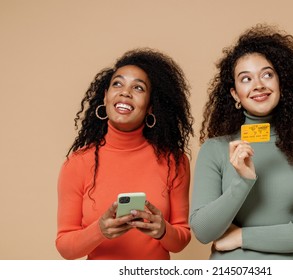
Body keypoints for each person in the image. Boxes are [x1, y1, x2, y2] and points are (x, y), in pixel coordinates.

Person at [190, 23, 293, 260]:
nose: (258, 85)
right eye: (245, 79)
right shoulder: (215, 149)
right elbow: (203, 230)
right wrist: (243, 181)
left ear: (281, 82)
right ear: (234, 94)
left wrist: (241, 237)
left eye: (267, 74)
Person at [56, 48, 193, 260]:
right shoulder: (77, 163)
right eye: (117, 84)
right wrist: (99, 230)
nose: (125, 92)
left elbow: (181, 238)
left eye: (138, 87)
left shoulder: (174, 161)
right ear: (105, 96)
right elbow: (65, 247)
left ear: (150, 107)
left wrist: (162, 230)